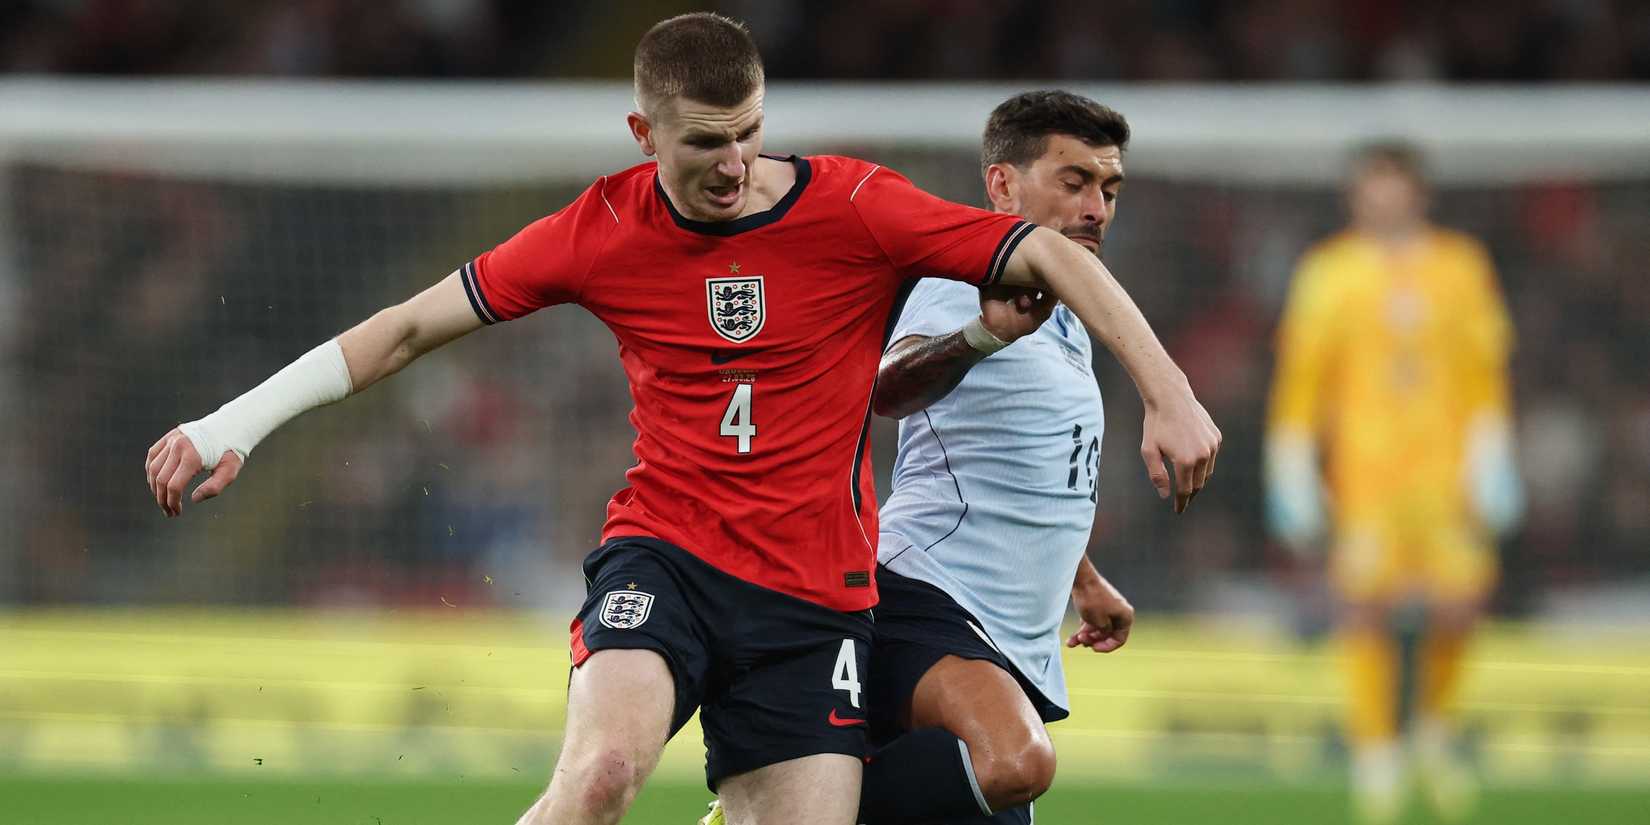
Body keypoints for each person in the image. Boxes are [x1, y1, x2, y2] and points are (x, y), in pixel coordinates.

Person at [143, 14, 1220, 825]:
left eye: (752, 134)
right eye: (707, 142)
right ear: (642, 131)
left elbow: (1037, 254)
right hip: (669, 562)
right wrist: (237, 420)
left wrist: (1167, 393)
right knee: (602, 776)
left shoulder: (852, 205)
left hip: (815, 601)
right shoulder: (600, 227)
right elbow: (411, 328)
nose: (736, 164)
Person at [858, 90, 1144, 825]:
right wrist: (982, 336)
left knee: (997, 797)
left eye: (1108, 189)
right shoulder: (962, 277)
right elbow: (887, 388)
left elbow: (1029, 464)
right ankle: (779, 806)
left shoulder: (1061, 314)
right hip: (924, 596)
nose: (1096, 208)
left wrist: (1083, 578)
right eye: (1074, 181)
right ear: (1002, 185)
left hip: (1005, 631)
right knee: (1016, 761)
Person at [1265, 142, 1521, 824]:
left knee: (1461, 600)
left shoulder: (1461, 266)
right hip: (1366, 471)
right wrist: (1291, 459)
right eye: (1371, 188)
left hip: (1445, 469)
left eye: (1395, 187)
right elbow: (1303, 377)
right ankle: (1376, 754)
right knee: (1364, 606)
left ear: (1418, 193)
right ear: (1356, 196)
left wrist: (1492, 450)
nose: (1383, 200)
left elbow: (1485, 369)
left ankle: (1435, 732)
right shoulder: (1327, 271)